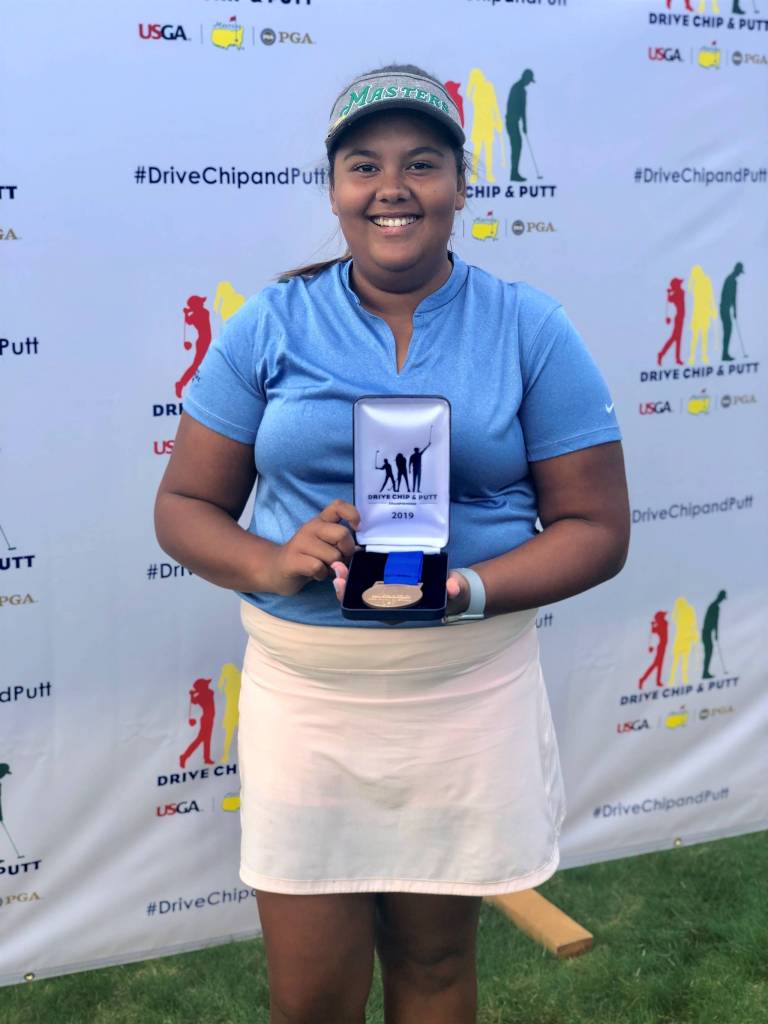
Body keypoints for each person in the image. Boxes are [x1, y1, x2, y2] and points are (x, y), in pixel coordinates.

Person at [155, 63, 630, 1024]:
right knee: (313, 998)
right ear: (334, 189)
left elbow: (597, 528)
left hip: (465, 698)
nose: (392, 187)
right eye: (363, 165)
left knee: (437, 967)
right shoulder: (272, 324)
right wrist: (270, 559)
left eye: (422, 162)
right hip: (310, 702)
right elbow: (184, 504)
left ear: (461, 182)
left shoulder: (529, 327)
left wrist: (462, 588)